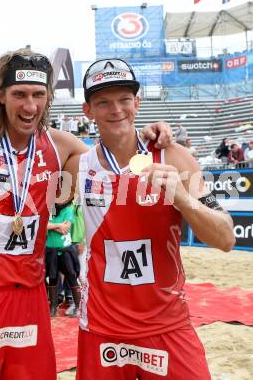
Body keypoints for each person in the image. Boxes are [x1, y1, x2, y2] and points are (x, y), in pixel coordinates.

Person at [0, 48, 172, 379]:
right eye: (20, 94)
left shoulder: (61, 146)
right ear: (0, 94)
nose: (30, 106)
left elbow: (115, 160)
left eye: (39, 95)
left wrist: (148, 135)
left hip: (28, 298)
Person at [66, 58, 235, 380]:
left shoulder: (173, 156)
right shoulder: (79, 165)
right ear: (87, 111)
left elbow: (226, 238)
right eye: (103, 102)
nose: (116, 109)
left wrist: (183, 199)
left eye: (124, 100)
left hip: (167, 324)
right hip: (102, 327)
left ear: (137, 103)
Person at [45, 199, 81, 318]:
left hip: (66, 249)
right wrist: (59, 225)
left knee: (71, 277)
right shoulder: (49, 209)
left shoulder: (68, 210)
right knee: (52, 277)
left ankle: (78, 306)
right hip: (50, 249)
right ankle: (53, 308)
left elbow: (65, 230)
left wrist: (52, 226)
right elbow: (43, 225)